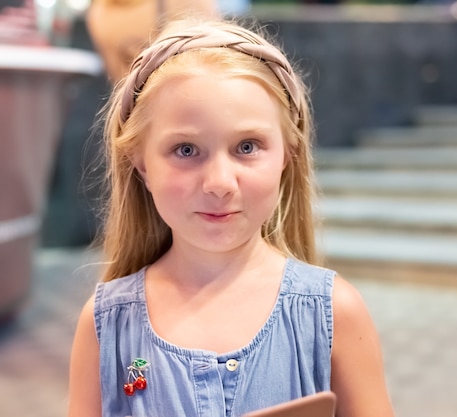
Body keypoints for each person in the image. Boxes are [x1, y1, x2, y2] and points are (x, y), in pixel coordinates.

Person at [68, 16, 395, 417]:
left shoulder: (334, 313)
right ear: (141, 165)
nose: (220, 183)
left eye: (247, 146)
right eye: (186, 150)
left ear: (287, 155)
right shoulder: (105, 327)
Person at [85, 0, 219, 83]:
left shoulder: (99, 12)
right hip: (185, 94)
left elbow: (118, 79)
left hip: (135, 108)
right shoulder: (100, 11)